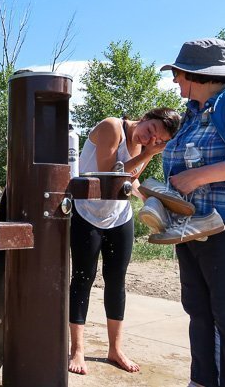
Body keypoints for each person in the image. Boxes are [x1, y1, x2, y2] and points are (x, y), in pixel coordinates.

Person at [157, 38, 225, 387]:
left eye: (178, 73)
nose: (174, 80)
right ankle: (202, 381)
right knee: (199, 313)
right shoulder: (193, 111)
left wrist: (196, 176)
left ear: (197, 74)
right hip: (194, 228)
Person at [69, 107, 181, 375]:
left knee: (117, 280)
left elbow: (134, 179)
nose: (149, 137)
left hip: (118, 216)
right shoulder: (112, 127)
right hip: (86, 212)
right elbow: (109, 175)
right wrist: (147, 154)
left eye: (158, 138)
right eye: (151, 128)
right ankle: (77, 350)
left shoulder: (145, 146)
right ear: (146, 117)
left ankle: (115, 349)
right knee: (83, 278)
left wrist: (157, 203)